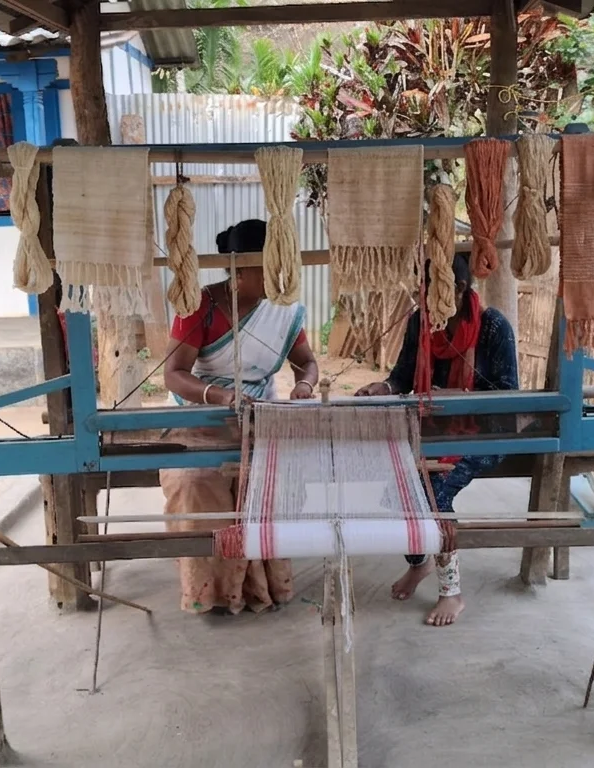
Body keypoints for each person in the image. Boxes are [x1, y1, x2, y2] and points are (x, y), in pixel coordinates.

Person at [160, 219, 320, 615]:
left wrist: (305, 386)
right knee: (196, 482)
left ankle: (259, 589)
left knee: (269, 480)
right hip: (201, 415)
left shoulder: (284, 312)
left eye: (281, 266)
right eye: (269, 267)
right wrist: (218, 395)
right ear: (239, 268)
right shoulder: (198, 305)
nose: (278, 276)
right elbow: (173, 374)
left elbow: (307, 363)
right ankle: (209, 591)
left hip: (259, 414)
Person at [354, 252, 519, 626]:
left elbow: (508, 394)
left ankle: (452, 592)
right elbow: (401, 377)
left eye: (430, 293)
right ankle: (420, 563)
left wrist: (458, 399)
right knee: (391, 489)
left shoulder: (493, 327)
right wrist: (382, 388)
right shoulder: (420, 323)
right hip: (432, 432)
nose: (423, 302)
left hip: (484, 435)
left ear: (458, 289)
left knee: (433, 493)